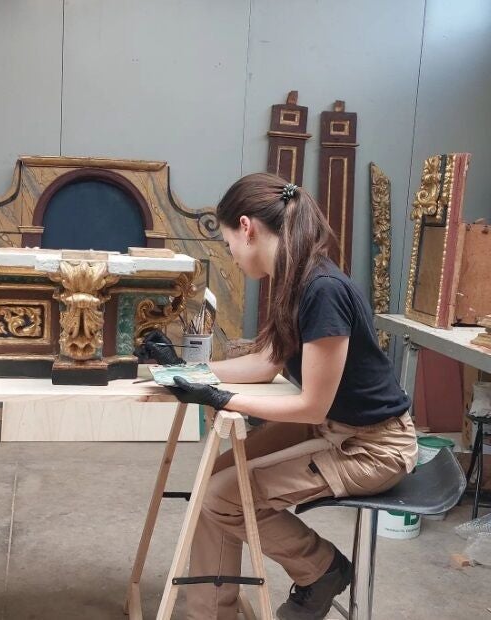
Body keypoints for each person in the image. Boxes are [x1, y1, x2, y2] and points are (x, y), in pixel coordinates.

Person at [139, 173, 417, 620]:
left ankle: (321, 568)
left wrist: (217, 397)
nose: (229, 254)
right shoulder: (294, 278)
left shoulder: (322, 289)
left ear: (246, 227)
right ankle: (209, 612)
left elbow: (311, 405)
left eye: (228, 242)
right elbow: (265, 363)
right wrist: (181, 369)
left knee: (224, 495)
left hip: (373, 446)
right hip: (335, 427)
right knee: (219, 475)